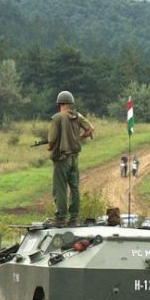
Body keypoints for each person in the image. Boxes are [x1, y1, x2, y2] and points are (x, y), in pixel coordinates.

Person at [45, 90, 94, 227]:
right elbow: (90, 129)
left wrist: (49, 147)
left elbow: (52, 140)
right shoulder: (78, 116)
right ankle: (74, 218)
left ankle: (60, 218)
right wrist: (80, 138)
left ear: (59, 103)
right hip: (74, 158)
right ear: (70, 103)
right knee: (74, 188)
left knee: (60, 188)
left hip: (62, 159)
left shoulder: (57, 118)